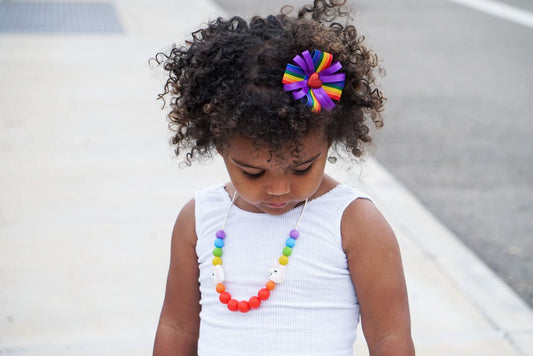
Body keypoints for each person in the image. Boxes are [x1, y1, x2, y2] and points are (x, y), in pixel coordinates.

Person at [152, 1, 414, 355]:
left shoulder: (353, 222)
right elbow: (177, 326)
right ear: (218, 143)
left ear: (331, 138)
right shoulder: (198, 219)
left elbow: (390, 338)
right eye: (253, 171)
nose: (278, 189)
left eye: (302, 167)